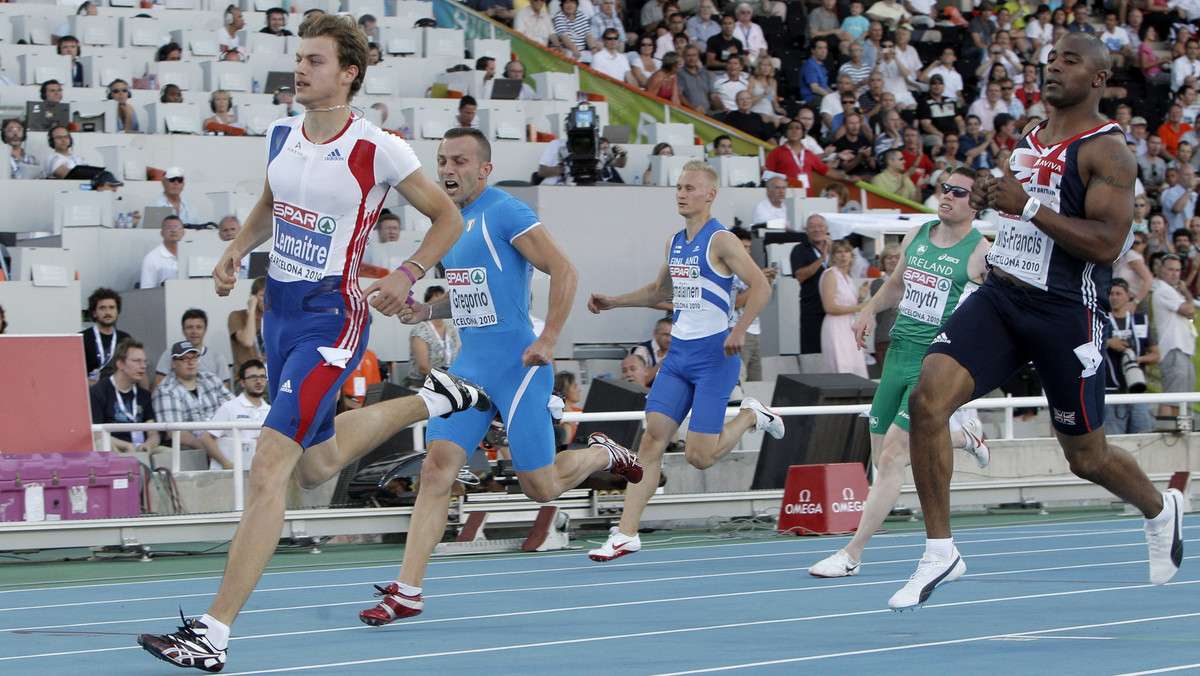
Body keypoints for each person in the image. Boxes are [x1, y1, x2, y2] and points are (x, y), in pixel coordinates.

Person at [137, 15, 490, 671]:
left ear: (349, 72)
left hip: (332, 317)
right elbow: (273, 198)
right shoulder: (285, 133)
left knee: (270, 465)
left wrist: (408, 273)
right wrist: (237, 249)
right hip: (281, 314)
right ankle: (436, 400)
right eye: (298, 59)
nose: (300, 69)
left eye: (316, 61)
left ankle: (213, 633)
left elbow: (449, 217)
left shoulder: (377, 147)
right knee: (316, 465)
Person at [892, 33, 1184, 611]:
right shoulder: (1029, 137)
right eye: (1050, 60)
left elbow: (1105, 244)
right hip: (1003, 296)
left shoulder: (1110, 151)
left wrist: (1025, 204)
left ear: (1098, 79)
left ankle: (1159, 508)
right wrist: (992, 197)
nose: (1053, 68)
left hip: (1064, 312)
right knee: (927, 400)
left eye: (1069, 62)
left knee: (1086, 458)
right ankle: (940, 549)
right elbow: (1020, 210)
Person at [357, 127, 643, 625]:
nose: (447, 169)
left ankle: (604, 452)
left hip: (520, 365)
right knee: (435, 469)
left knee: (541, 487)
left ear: (485, 169)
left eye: (460, 161)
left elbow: (565, 270)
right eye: (442, 160)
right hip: (470, 367)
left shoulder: (505, 210)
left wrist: (549, 338)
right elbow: (473, 294)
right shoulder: (446, 221)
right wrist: (425, 311)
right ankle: (407, 591)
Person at [585, 161, 779, 560]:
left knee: (699, 457)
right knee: (652, 437)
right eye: (678, 187)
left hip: (714, 357)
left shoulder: (722, 240)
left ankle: (749, 416)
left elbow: (761, 287)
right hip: (678, 356)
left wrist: (739, 329)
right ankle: (626, 533)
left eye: (690, 188)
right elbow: (659, 290)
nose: (681, 193)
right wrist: (614, 301)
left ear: (710, 194)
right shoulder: (676, 241)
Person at [809, 169, 992, 578]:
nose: (946, 196)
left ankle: (852, 553)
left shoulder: (981, 253)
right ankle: (965, 436)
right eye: (943, 187)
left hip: (935, 363)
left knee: (893, 457)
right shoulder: (919, 233)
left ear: (976, 204)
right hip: (898, 353)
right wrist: (869, 309)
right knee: (884, 462)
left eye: (958, 192)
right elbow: (896, 283)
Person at [152, 340, 236, 470]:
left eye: (194, 357)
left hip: (222, 438)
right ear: (173, 363)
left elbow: (233, 408)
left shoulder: (211, 378)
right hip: (190, 447)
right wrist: (208, 447)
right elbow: (174, 431)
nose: (191, 362)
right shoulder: (165, 389)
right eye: (184, 358)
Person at [1103, 279, 1158, 434]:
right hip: (1111, 392)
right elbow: (1086, 346)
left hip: (1137, 390)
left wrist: (1137, 360)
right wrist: (1108, 343)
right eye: (1111, 293)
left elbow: (1156, 354)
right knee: (1115, 443)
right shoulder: (1101, 321)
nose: (1114, 297)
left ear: (1128, 296)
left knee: (1144, 437)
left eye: (1118, 293)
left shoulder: (1141, 321)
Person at [89, 339, 161, 455]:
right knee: (102, 445)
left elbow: (153, 432)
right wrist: (126, 445)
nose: (143, 366)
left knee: (170, 453)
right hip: (116, 448)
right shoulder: (98, 392)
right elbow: (97, 434)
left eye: (144, 362)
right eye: (136, 361)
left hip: (141, 448)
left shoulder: (144, 394)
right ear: (120, 364)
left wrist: (149, 444)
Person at [1150, 254, 1196, 419]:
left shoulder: (1173, 291)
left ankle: (1176, 431)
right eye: (1170, 269)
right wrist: (1185, 291)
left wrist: (1183, 292)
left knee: (1181, 398)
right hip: (1173, 348)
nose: (1175, 274)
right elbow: (1190, 310)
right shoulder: (1163, 290)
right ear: (1161, 270)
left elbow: (1191, 314)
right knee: (1172, 397)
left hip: (1182, 349)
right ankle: (1167, 432)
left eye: (1177, 270)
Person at [729, 226, 776, 382]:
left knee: (756, 384)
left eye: (749, 247)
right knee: (738, 380)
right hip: (736, 329)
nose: (748, 251)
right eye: (744, 247)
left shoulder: (750, 272)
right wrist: (758, 284)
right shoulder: (727, 272)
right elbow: (736, 303)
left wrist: (763, 283)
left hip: (755, 330)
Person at [819, 239, 870, 376]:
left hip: (849, 327)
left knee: (854, 364)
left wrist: (860, 297)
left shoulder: (847, 276)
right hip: (836, 326)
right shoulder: (831, 274)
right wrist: (857, 308)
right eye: (839, 252)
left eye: (846, 252)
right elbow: (829, 307)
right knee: (841, 365)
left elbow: (849, 304)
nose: (843, 255)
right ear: (833, 256)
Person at [765, 119, 858, 194]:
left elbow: (826, 170)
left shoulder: (809, 154)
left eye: (798, 128)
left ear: (803, 133)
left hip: (807, 198)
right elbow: (768, 176)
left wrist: (846, 178)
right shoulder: (776, 152)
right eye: (791, 128)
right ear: (785, 133)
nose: (794, 130)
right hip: (784, 196)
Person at [154, 309, 232, 389]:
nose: (194, 331)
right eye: (189, 327)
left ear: (205, 330)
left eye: (199, 327)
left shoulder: (218, 359)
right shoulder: (170, 354)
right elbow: (158, 387)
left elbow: (225, 393)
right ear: (183, 331)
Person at [404, 285, 461, 388]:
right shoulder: (420, 330)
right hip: (423, 384)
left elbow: (454, 358)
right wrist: (446, 381)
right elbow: (423, 367)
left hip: (447, 383)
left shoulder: (450, 330)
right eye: (436, 302)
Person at [791, 214, 831, 354]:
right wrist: (822, 258)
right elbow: (800, 275)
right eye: (812, 226)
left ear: (826, 229)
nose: (816, 229)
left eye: (820, 226)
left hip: (834, 310)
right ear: (806, 230)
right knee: (812, 352)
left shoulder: (836, 249)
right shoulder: (799, 250)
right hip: (812, 310)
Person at [82, 287, 132, 384]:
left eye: (112, 307)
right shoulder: (82, 339)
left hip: (119, 390)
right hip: (90, 392)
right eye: (102, 308)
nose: (108, 312)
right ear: (94, 313)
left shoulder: (125, 338)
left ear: (117, 311)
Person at [140, 215, 183, 289]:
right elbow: (146, 290)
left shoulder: (190, 253)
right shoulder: (151, 258)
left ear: (183, 232)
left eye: (177, 227)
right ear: (162, 233)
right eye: (169, 227)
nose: (173, 230)